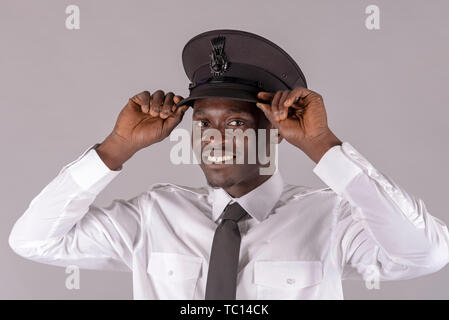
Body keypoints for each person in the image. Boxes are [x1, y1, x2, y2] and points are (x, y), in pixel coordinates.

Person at [8, 29, 449, 300]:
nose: (214, 137)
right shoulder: (152, 217)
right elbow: (33, 242)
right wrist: (115, 148)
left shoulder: (331, 220)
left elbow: (426, 253)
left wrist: (322, 144)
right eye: (203, 122)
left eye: (236, 121)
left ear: (276, 129)